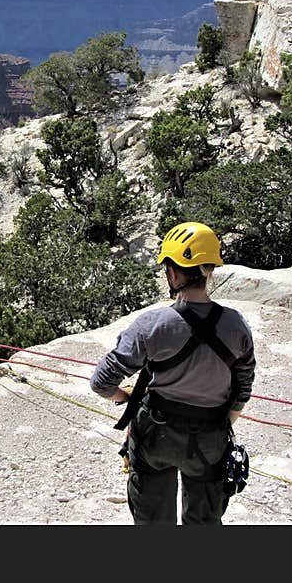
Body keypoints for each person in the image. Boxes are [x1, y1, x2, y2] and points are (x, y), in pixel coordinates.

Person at [90, 221, 256, 525]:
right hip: (209, 435)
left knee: (152, 518)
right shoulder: (237, 325)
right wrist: (223, 425)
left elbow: (101, 382)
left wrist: (125, 397)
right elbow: (242, 388)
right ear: (209, 270)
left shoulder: (152, 324)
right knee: (204, 519)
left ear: (174, 272)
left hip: (155, 432)